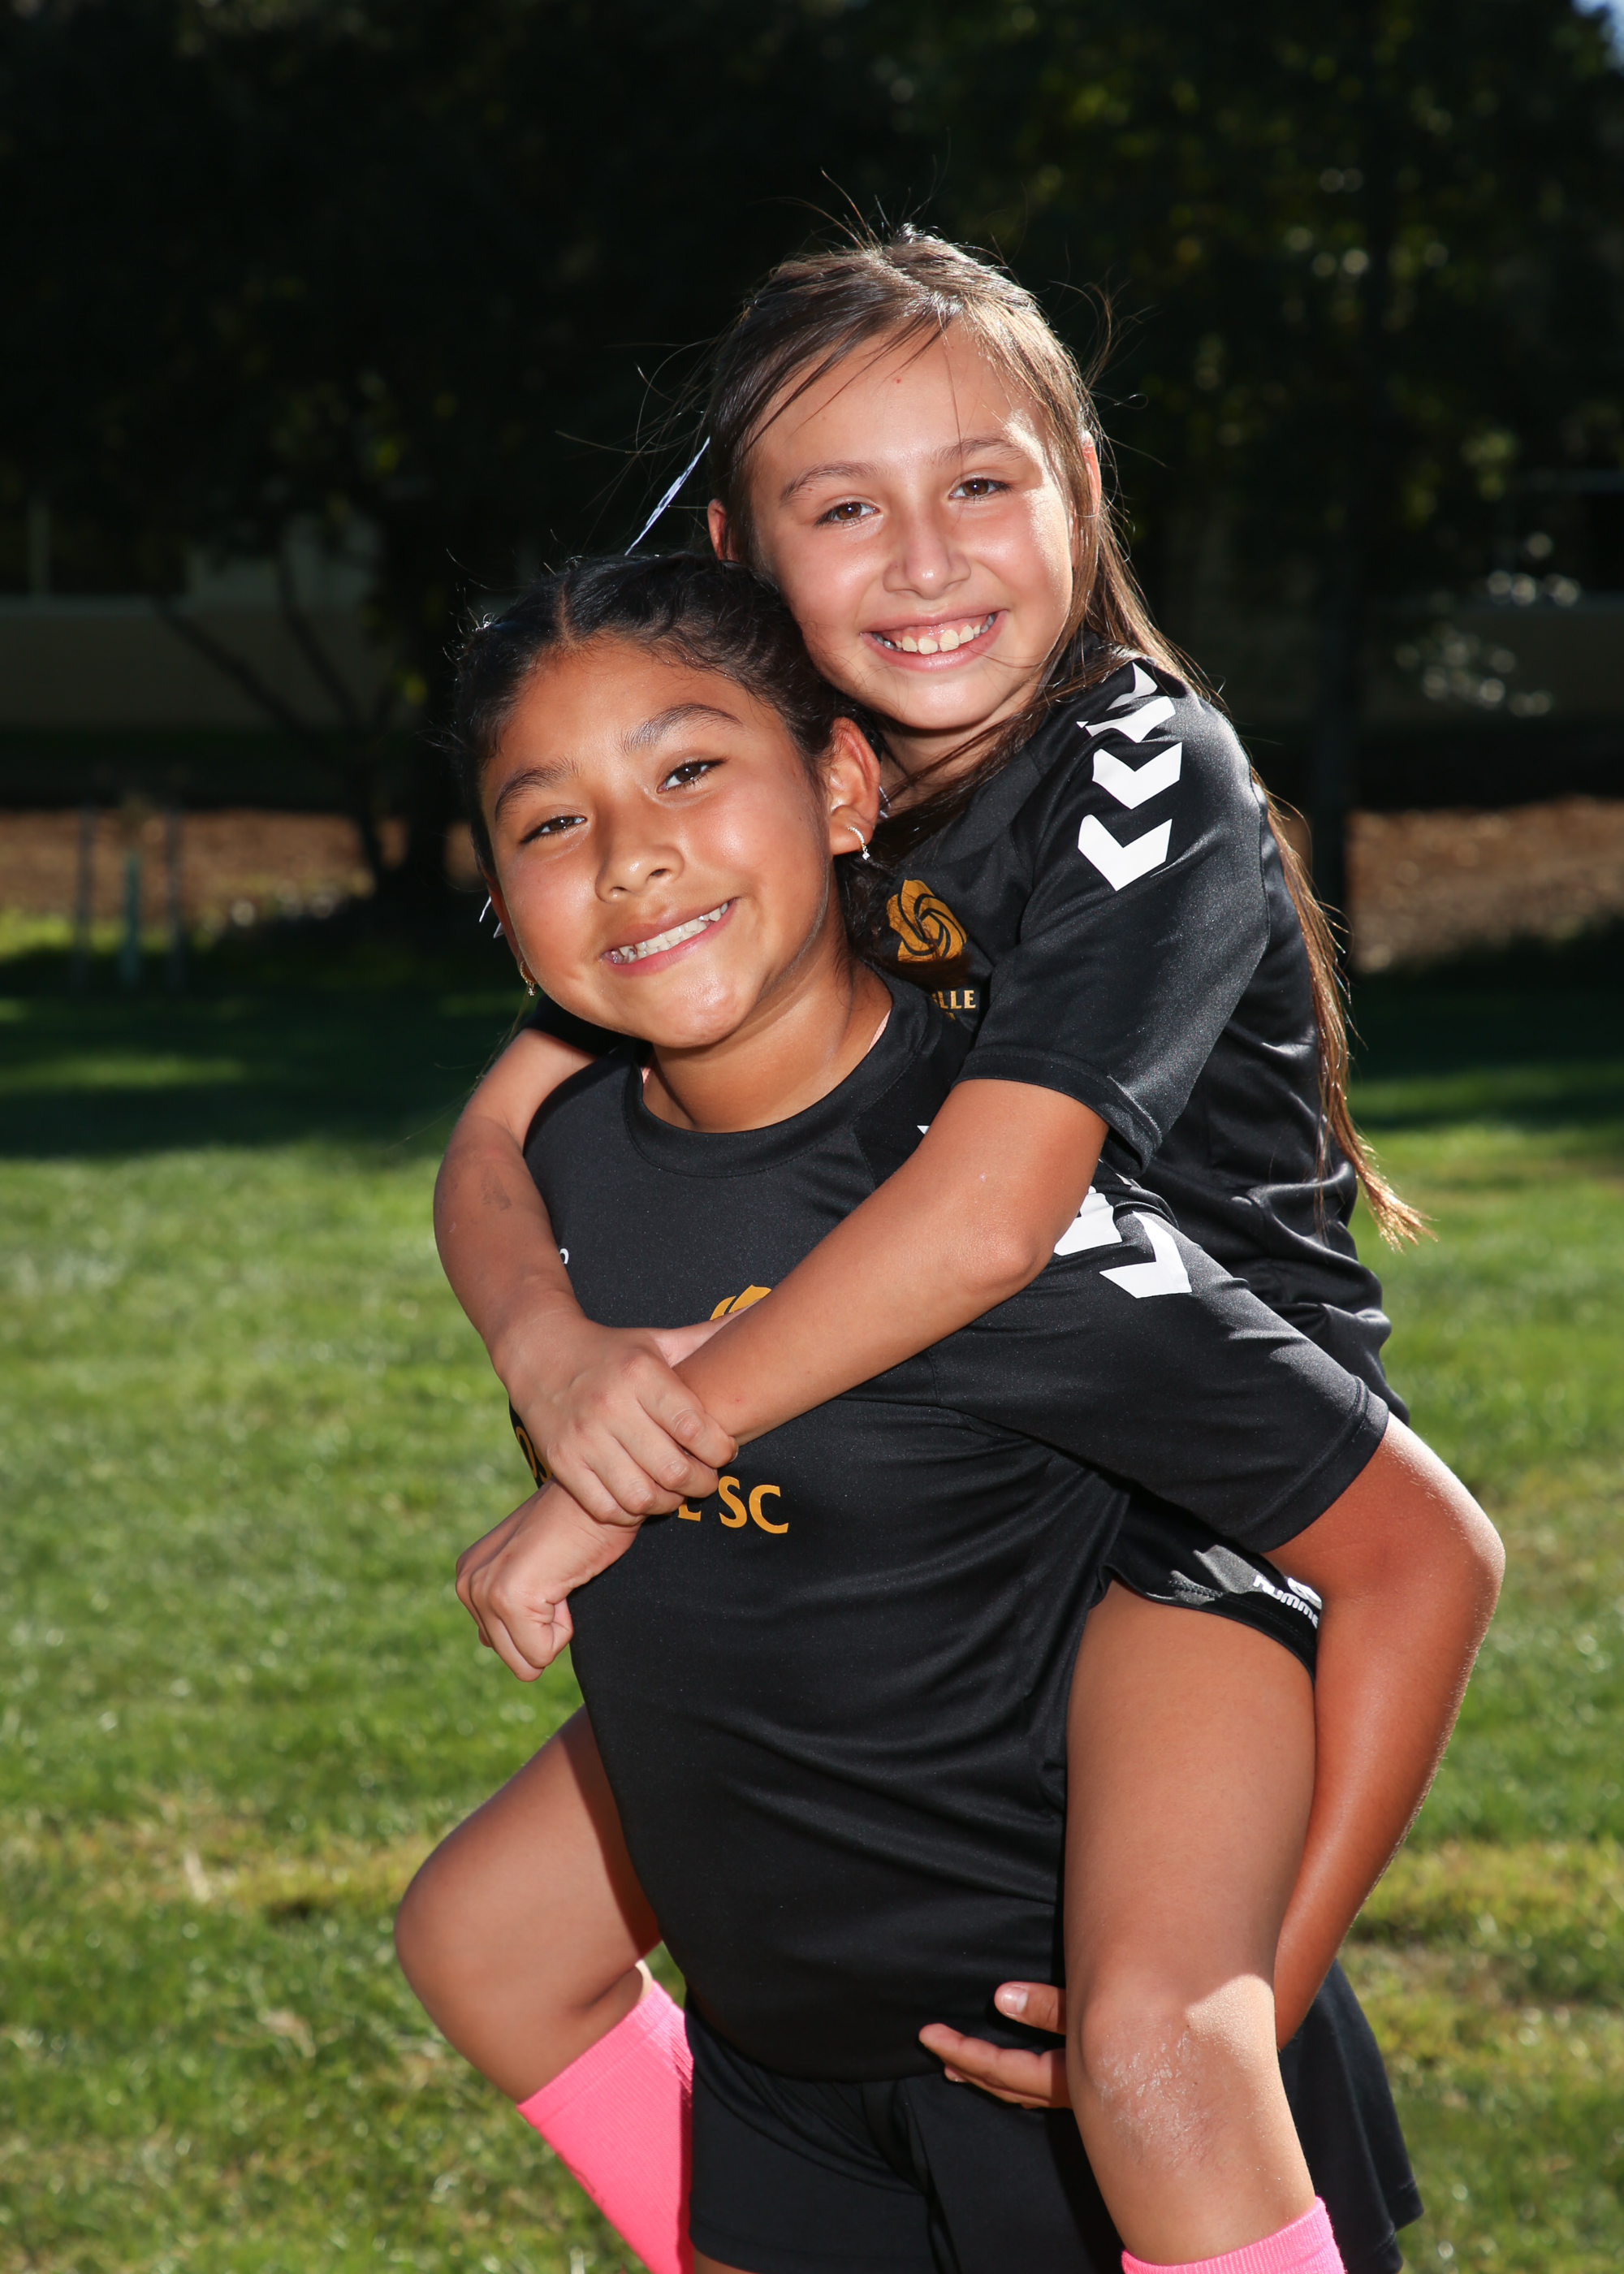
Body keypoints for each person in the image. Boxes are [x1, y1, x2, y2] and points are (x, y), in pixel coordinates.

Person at [428, 226, 1438, 2227]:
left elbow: (987, 1219)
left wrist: (630, 1464)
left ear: (1083, 490)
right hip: (933, 1442)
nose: (921, 561)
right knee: (484, 1930)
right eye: (843, 508)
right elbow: (496, 1128)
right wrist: (553, 1355)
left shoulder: (1140, 758)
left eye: (979, 482)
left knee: (1156, 2040)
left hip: (1188, 1490)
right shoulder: (798, 793)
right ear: (743, 556)